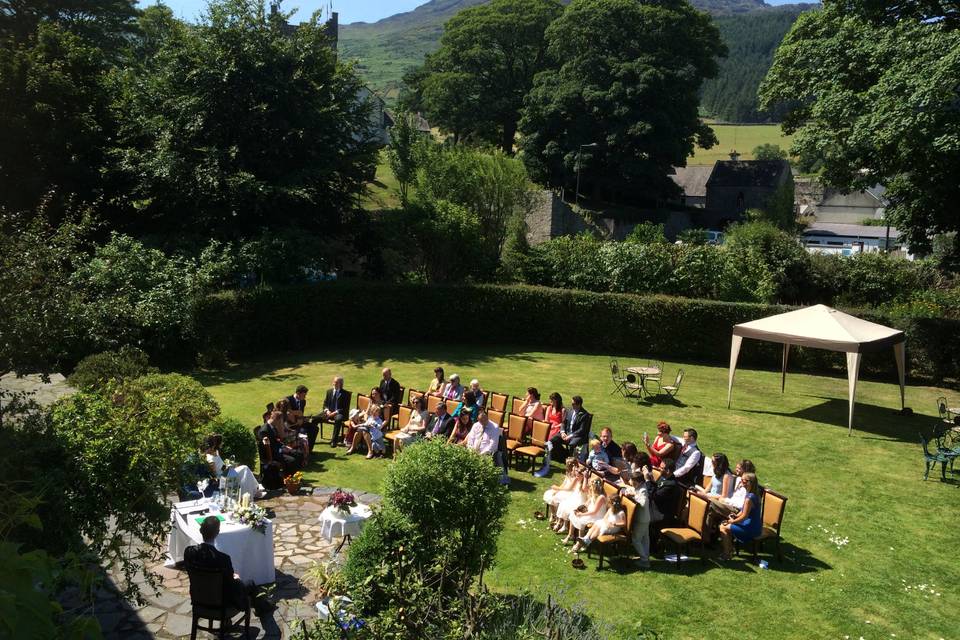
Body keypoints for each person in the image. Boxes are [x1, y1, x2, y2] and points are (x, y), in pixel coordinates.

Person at [183, 516, 250, 611]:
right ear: (218, 533)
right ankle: (263, 608)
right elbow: (229, 584)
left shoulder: (189, 552)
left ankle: (263, 606)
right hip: (221, 601)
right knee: (249, 584)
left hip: (198, 597)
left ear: (201, 531)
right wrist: (237, 579)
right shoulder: (223, 558)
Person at [534, 396, 591, 478]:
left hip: (578, 436)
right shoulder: (570, 411)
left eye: (573, 404)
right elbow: (563, 423)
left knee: (572, 444)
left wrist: (570, 436)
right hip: (566, 433)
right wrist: (563, 432)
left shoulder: (585, 415)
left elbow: (582, 430)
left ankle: (571, 465)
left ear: (579, 405)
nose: (571, 405)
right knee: (552, 441)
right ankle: (561, 459)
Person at [202, 434, 261, 499]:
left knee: (244, 469)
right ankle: (251, 492)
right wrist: (228, 469)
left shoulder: (216, 452)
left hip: (227, 473)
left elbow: (221, 466)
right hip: (223, 477)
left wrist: (229, 466)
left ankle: (253, 491)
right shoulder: (210, 458)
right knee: (244, 468)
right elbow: (215, 474)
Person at [644, 459, 684, 553]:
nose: (659, 469)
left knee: (643, 517)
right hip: (657, 506)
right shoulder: (663, 477)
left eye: (661, 468)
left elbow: (654, 496)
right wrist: (652, 480)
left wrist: (648, 481)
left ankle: (651, 547)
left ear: (668, 471)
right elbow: (656, 489)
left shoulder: (671, 485)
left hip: (662, 513)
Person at [719, 472, 762, 560]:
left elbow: (744, 516)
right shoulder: (754, 494)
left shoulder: (749, 498)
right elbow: (743, 511)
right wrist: (735, 515)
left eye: (743, 480)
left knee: (723, 527)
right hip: (756, 526)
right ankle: (730, 549)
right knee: (726, 525)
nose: (741, 482)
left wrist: (733, 521)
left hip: (750, 528)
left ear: (750, 482)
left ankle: (727, 554)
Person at [620, 469, 652, 568]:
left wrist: (634, 496)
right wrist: (632, 492)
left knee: (636, 540)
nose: (630, 482)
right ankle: (645, 557)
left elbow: (643, 502)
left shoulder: (642, 490)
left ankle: (644, 560)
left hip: (641, 519)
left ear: (637, 482)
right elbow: (634, 491)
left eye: (631, 480)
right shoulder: (640, 487)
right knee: (645, 539)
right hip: (645, 518)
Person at [564, 477, 608, 547]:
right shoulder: (593, 493)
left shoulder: (601, 497)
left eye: (590, 485)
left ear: (594, 486)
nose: (589, 487)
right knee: (573, 514)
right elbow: (586, 504)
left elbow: (594, 512)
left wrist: (582, 514)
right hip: (591, 513)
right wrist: (579, 509)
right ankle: (570, 535)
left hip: (597, 517)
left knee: (581, 521)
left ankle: (579, 544)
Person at [543, 457, 579, 527]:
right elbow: (564, 483)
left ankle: (558, 517)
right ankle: (553, 514)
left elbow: (569, 488)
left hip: (571, 492)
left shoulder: (576, 476)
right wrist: (557, 490)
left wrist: (558, 488)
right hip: (564, 489)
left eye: (567, 464)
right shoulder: (568, 472)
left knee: (555, 498)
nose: (566, 466)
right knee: (550, 494)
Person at [554, 467, 588, 533]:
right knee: (563, 504)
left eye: (578, 476)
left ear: (583, 476)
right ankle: (564, 525)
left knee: (569, 508)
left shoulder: (585, 482)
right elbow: (569, 488)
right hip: (574, 497)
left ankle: (565, 526)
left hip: (581, 501)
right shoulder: (577, 480)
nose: (577, 477)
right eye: (576, 475)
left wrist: (585, 478)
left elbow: (584, 489)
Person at [286, 385, 319, 450]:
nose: (305, 397)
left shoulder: (303, 401)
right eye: (304, 395)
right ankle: (302, 451)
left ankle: (309, 450)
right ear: (298, 393)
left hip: (300, 422)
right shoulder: (288, 400)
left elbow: (301, 415)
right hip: (290, 424)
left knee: (315, 428)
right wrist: (298, 417)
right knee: (303, 430)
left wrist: (304, 419)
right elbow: (287, 413)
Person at [321, 376, 350, 448]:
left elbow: (345, 408)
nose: (334, 383)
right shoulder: (329, 392)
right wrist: (327, 410)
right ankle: (310, 440)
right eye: (334, 382)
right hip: (329, 412)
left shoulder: (346, 394)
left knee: (338, 419)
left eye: (336, 382)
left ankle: (334, 441)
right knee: (315, 418)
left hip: (339, 413)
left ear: (341, 384)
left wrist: (335, 412)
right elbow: (325, 404)